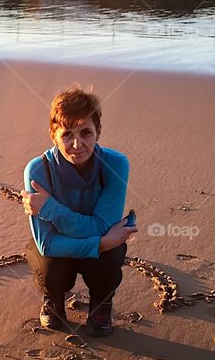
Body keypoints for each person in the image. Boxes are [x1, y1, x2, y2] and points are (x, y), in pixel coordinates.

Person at [22, 86, 137, 337]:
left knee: (108, 260)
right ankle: (53, 300)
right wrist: (102, 242)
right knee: (52, 268)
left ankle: (101, 304)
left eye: (86, 132)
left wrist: (50, 209)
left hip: (84, 244)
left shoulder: (116, 164)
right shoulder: (38, 171)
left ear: (98, 131)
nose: (77, 144)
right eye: (67, 134)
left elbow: (103, 225)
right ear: (53, 135)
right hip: (55, 247)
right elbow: (48, 245)